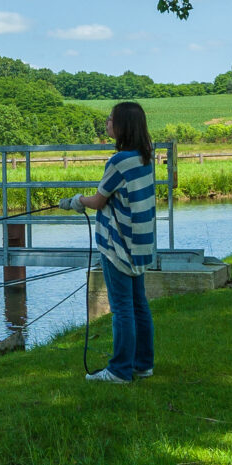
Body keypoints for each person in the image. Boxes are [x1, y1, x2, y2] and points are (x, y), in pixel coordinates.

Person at [67, 101, 157, 384]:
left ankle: (119, 370)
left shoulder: (118, 162)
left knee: (121, 308)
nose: (106, 123)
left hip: (118, 246)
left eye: (110, 119)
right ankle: (143, 364)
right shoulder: (145, 157)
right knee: (139, 305)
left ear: (122, 127)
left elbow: (99, 200)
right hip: (141, 244)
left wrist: (75, 202)